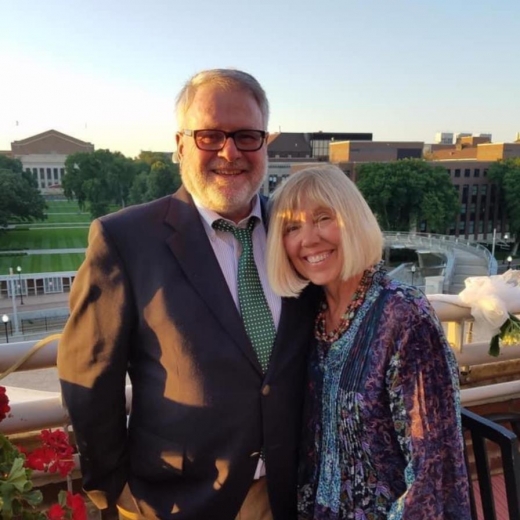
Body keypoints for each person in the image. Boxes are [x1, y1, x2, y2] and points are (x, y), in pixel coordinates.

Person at [57, 69, 318, 520]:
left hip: (290, 494)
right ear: (180, 144)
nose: (230, 151)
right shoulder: (124, 239)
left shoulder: (296, 233)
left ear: (265, 145)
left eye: (246, 136)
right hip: (175, 502)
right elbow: (89, 379)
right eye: (210, 135)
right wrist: (116, 489)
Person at [266, 165, 471, 520]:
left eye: (323, 217)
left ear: (353, 220)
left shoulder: (404, 316)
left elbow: (433, 472)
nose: (309, 239)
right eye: (292, 228)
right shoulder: (305, 316)